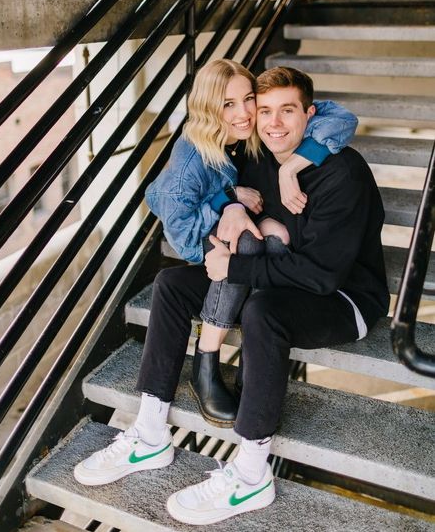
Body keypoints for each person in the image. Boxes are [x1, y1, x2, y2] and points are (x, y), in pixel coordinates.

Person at [72, 63, 363, 498]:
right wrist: (230, 206)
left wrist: (239, 264)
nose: (269, 122)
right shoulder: (254, 152)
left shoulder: (343, 172)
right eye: (263, 110)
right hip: (273, 276)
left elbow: (319, 276)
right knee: (171, 283)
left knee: (262, 311)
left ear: (311, 114)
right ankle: (149, 434)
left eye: (285, 111)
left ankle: (249, 475)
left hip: (340, 297)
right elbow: (174, 196)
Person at [142, 59, 357, 428]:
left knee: (272, 239)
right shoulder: (197, 155)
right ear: (209, 106)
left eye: (248, 100)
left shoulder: (245, 140)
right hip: (204, 244)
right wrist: (226, 205)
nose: (244, 114)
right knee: (222, 257)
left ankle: (249, 374)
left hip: (308, 281)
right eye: (228, 104)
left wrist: (289, 170)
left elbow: (340, 116)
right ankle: (195, 369)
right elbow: (170, 214)